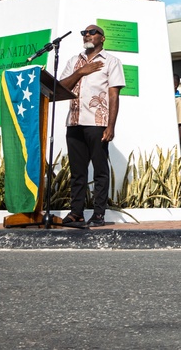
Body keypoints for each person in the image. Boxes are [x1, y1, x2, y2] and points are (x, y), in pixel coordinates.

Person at [58, 24, 125, 227]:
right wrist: (81, 72)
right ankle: (76, 213)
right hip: (74, 122)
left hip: (97, 123)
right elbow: (61, 87)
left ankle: (98, 214)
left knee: (100, 170)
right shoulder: (74, 61)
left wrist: (111, 126)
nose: (87, 35)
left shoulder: (111, 62)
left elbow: (113, 96)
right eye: (84, 33)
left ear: (102, 38)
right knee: (77, 172)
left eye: (92, 32)